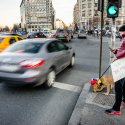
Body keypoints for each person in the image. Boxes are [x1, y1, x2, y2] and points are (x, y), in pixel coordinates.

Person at [105, 25, 125, 115]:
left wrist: (117, 55)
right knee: (123, 84)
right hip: (123, 64)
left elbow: (123, 52)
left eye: (120, 32)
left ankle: (116, 109)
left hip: (122, 65)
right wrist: (116, 51)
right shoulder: (124, 38)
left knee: (118, 86)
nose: (119, 33)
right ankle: (124, 100)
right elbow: (122, 50)